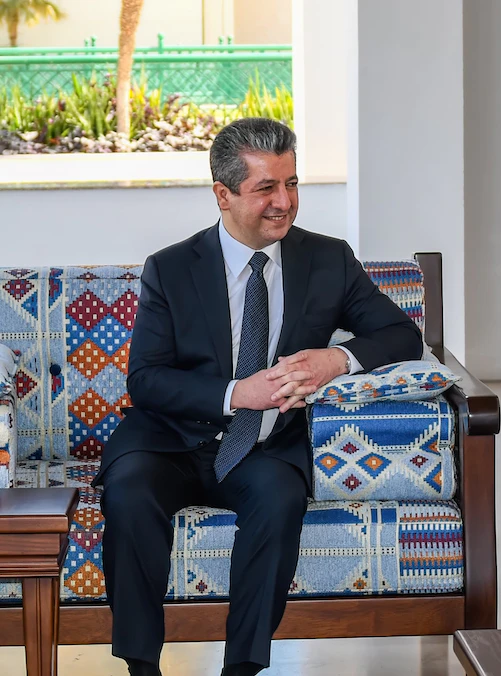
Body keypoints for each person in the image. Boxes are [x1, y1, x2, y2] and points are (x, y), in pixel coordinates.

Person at [95, 118, 424, 676]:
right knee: (128, 496)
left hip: (266, 447)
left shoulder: (328, 260)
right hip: (168, 441)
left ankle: (242, 668)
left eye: (291, 183)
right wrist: (235, 393)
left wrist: (334, 360)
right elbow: (145, 379)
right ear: (222, 194)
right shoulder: (170, 268)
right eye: (265, 188)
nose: (284, 202)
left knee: (279, 501)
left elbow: (401, 335)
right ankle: (141, 666)